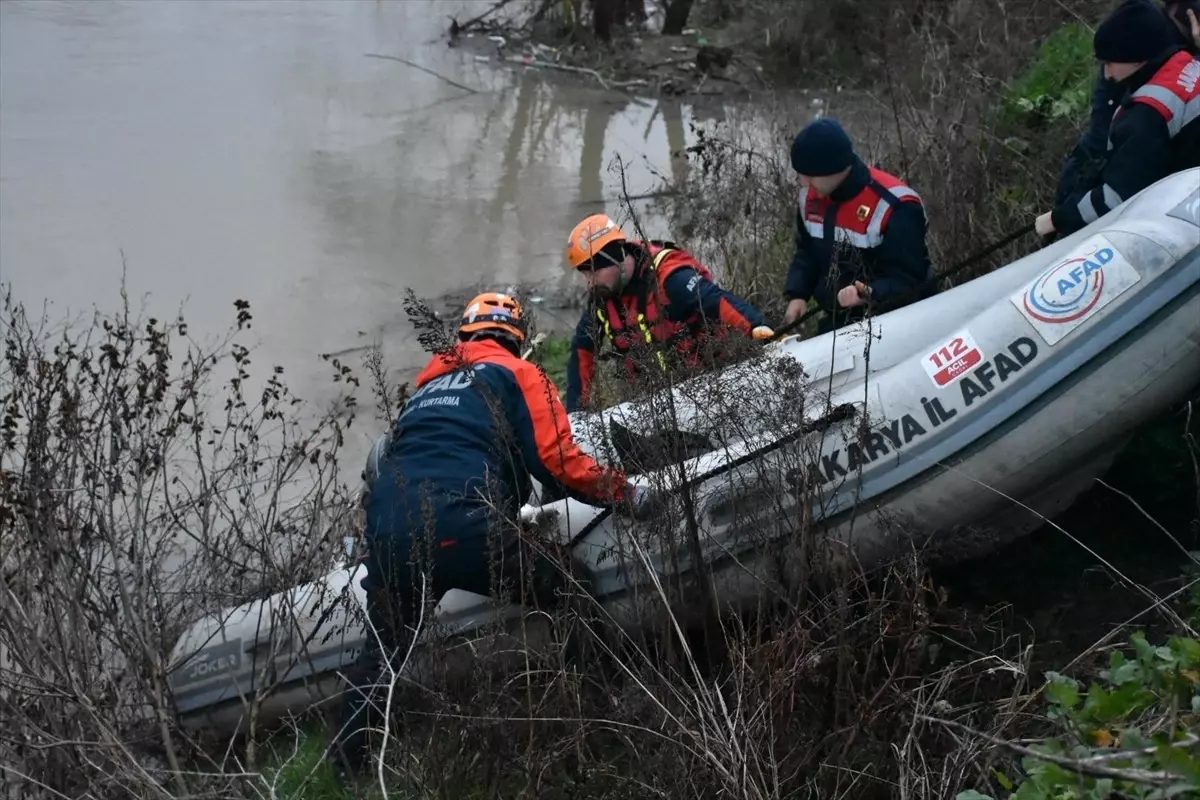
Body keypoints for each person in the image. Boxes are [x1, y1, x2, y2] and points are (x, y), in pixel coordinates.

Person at [332, 291, 661, 778]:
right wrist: (625, 494)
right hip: (464, 526)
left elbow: (384, 465)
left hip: (391, 534)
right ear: (516, 340)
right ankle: (602, 716)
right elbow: (559, 463)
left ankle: (347, 769)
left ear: (463, 336)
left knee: (382, 651)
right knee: (573, 589)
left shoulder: (423, 393)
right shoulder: (519, 374)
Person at [563, 214, 775, 412]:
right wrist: (575, 411)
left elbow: (717, 301)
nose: (590, 282)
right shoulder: (601, 297)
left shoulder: (670, 278)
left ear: (617, 259)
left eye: (594, 271)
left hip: (711, 385)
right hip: (653, 404)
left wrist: (758, 328)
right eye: (585, 274)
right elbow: (583, 350)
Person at [1038, 0, 1200, 240]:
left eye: (1110, 63)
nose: (1107, 73)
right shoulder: (1184, 60)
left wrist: (1057, 218)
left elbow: (1117, 196)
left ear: (1136, 59)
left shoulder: (1147, 115)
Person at [781, 118, 934, 334]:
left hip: (897, 319)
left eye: (809, 175)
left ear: (833, 169)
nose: (803, 183)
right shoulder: (810, 198)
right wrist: (798, 294)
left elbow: (909, 279)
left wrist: (867, 293)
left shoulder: (896, 205)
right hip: (839, 321)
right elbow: (806, 252)